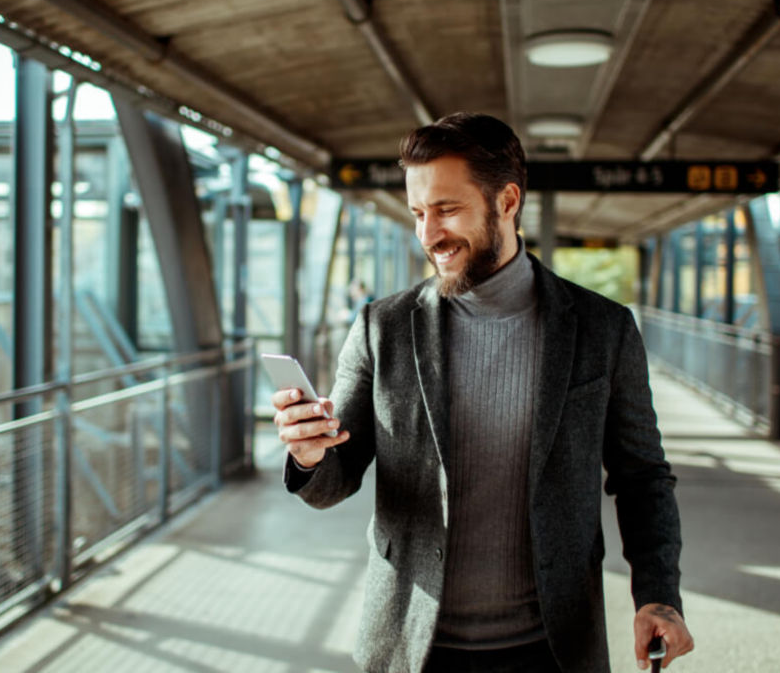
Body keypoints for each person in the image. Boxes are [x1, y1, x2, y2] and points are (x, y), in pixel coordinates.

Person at [273, 113, 693, 673]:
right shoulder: (383, 327)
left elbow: (642, 476)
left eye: (447, 210)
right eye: (419, 212)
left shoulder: (602, 329)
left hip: (554, 647)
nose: (428, 234)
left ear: (508, 201)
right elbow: (335, 478)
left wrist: (657, 595)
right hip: (412, 647)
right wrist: (308, 453)